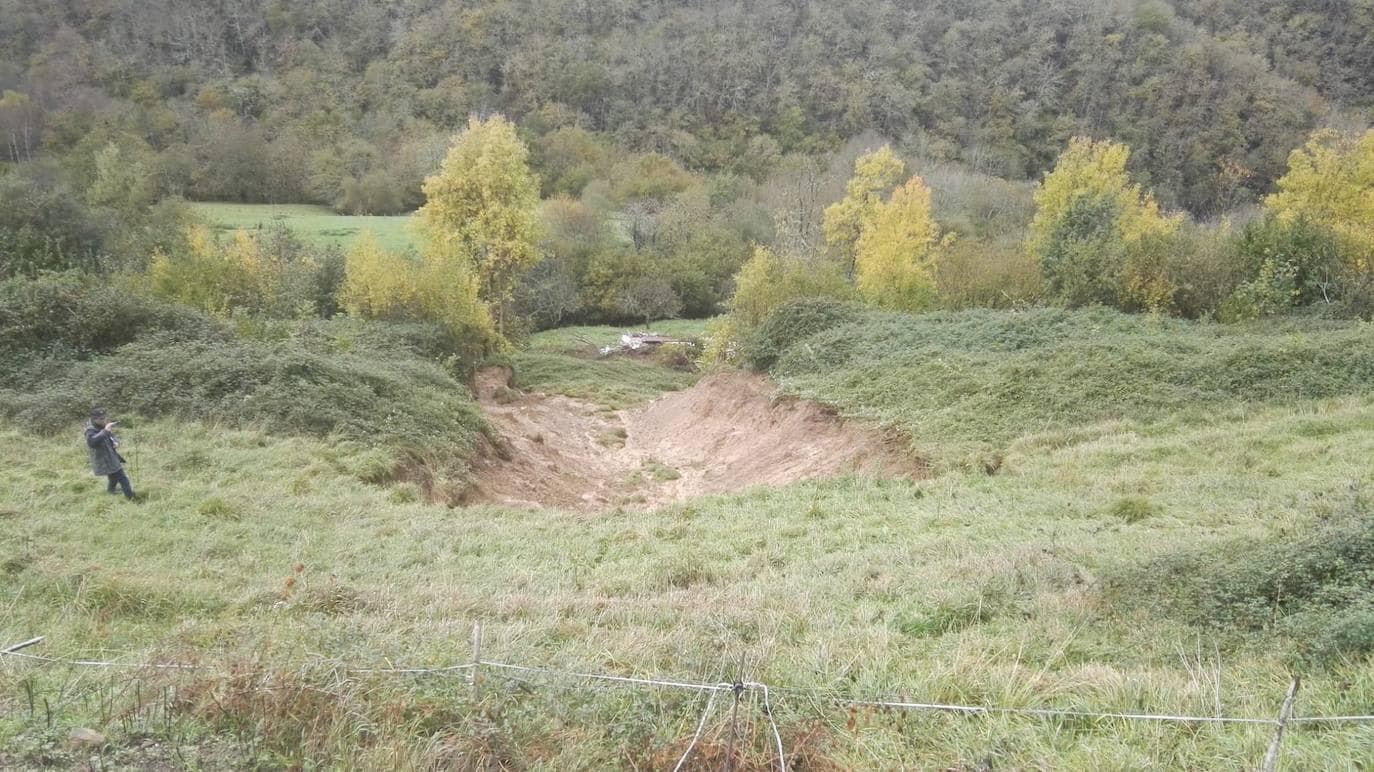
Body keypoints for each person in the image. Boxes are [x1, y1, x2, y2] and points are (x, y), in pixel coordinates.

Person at [85, 408, 135, 500]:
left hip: (110, 456)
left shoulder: (101, 426)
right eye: (101, 419)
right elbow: (92, 442)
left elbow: (112, 437)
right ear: (94, 419)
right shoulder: (90, 430)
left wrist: (116, 442)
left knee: (113, 478)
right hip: (105, 460)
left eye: (104, 418)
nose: (104, 420)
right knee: (124, 480)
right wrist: (105, 431)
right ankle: (131, 498)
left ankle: (111, 492)